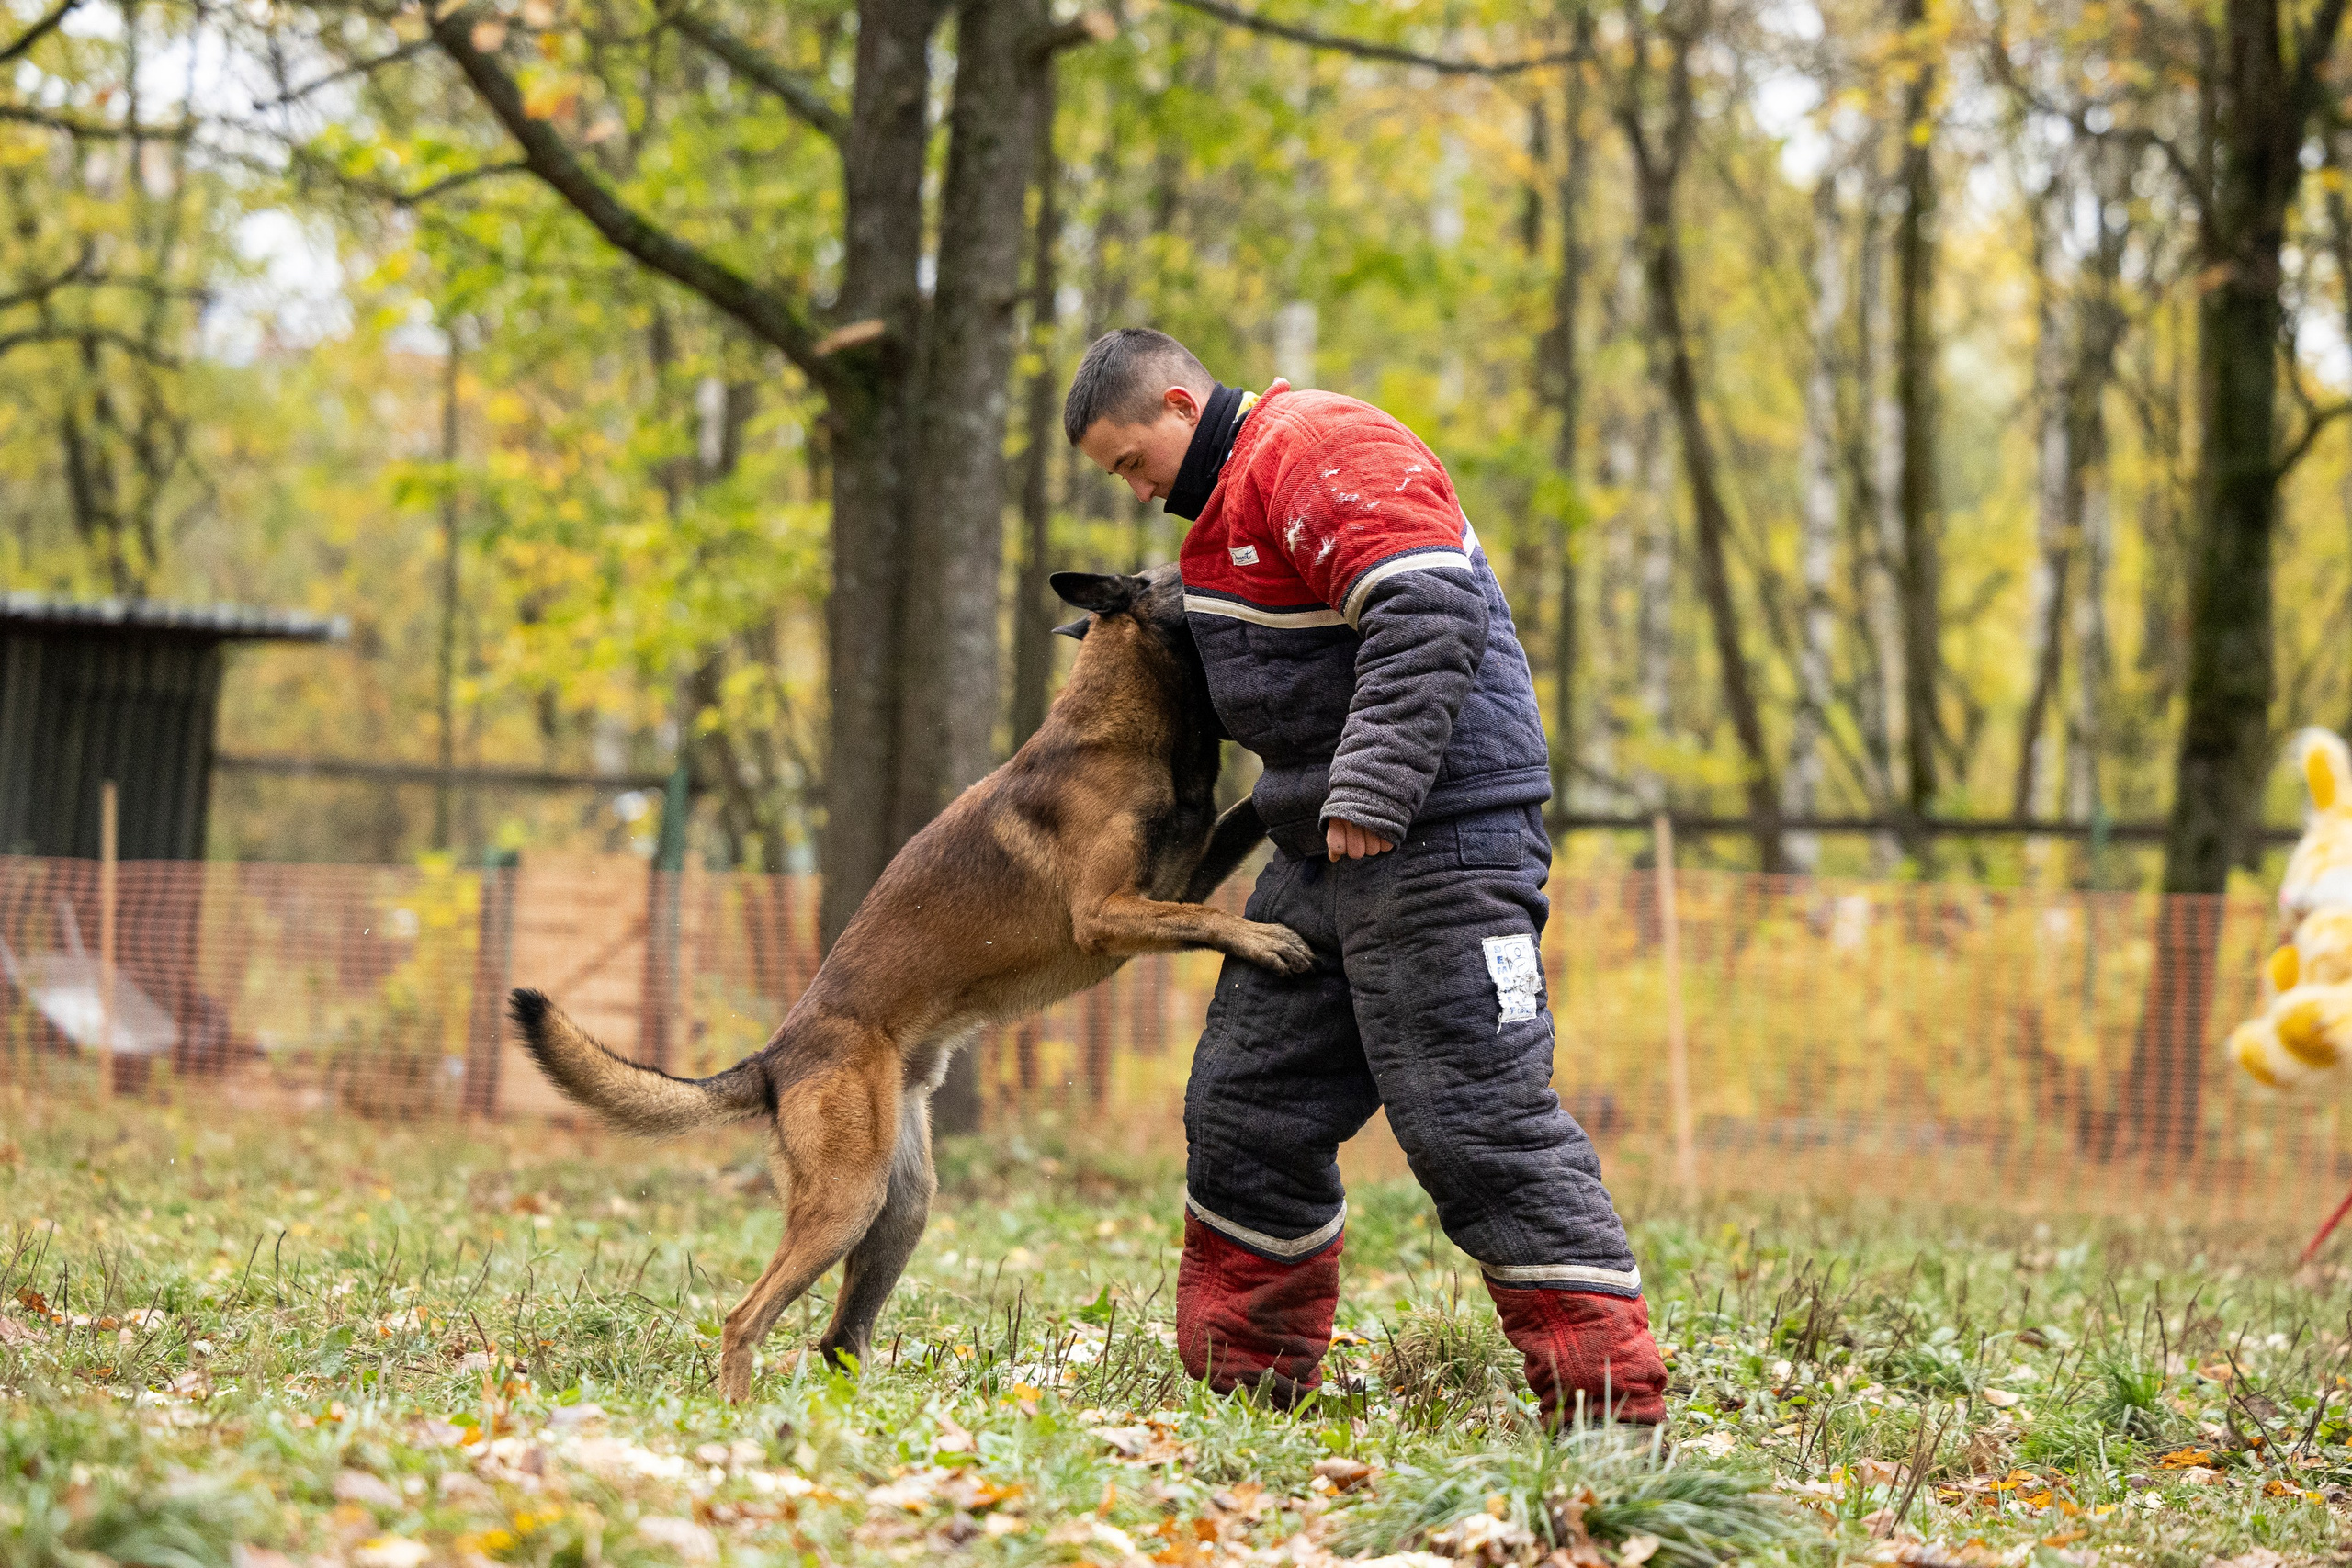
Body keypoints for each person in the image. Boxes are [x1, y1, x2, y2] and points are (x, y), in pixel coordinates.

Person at [1062, 327, 1667, 1427]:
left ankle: (1608, 1418)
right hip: (1324, 854)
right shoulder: (1224, 520)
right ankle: (1248, 1395)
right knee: (1247, 1107)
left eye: (1132, 461)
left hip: (1441, 841)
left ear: (1180, 407)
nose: (1138, 491)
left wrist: (1372, 788)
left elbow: (1428, 606)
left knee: (1474, 1122)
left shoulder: (1318, 445)